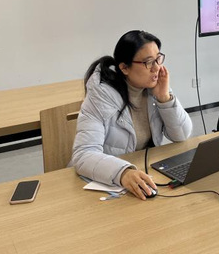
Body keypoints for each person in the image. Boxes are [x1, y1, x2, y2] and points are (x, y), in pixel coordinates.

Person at [71, 30, 193, 200]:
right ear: (124, 68)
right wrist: (123, 173)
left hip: (145, 172)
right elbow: (83, 155)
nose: (157, 68)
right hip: (108, 181)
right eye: (148, 62)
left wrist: (165, 99)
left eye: (158, 59)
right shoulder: (101, 96)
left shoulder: (154, 87)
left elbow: (181, 135)